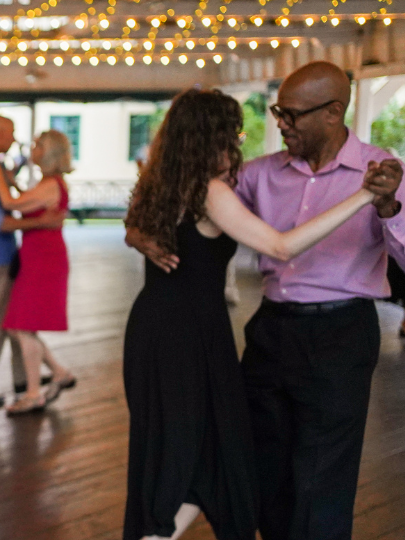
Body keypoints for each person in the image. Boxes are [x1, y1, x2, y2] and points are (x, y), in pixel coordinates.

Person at [128, 62, 404, 540]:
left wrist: (385, 206)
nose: (279, 122)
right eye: (278, 111)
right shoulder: (256, 174)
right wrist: (137, 235)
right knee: (257, 459)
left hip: (340, 333)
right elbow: (192, 206)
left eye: (291, 114)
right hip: (271, 329)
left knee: (321, 472)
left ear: (333, 112)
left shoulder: (383, 172)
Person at [0, 116, 65, 409]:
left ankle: (24, 379)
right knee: (1, 322)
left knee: (13, 317)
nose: (16, 139)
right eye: (13, 133)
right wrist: (41, 223)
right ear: (1, 134)